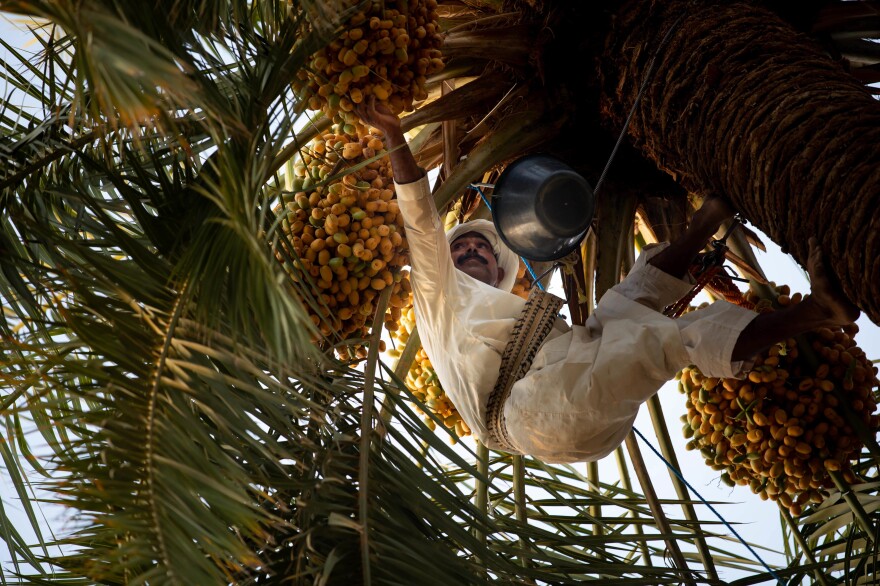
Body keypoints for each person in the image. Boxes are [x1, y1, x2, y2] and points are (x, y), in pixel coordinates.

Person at [356, 98, 860, 463]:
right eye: (461, 246)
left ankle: (708, 218)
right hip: (529, 413)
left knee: (629, 299)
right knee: (661, 341)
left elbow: (611, 314)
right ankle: (815, 312)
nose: (468, 250)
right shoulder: (436, 295)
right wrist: (393, 134)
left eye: (480, 248)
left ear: (500, 270)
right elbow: (421, 221)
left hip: (568, 364)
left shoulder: (519, 311)